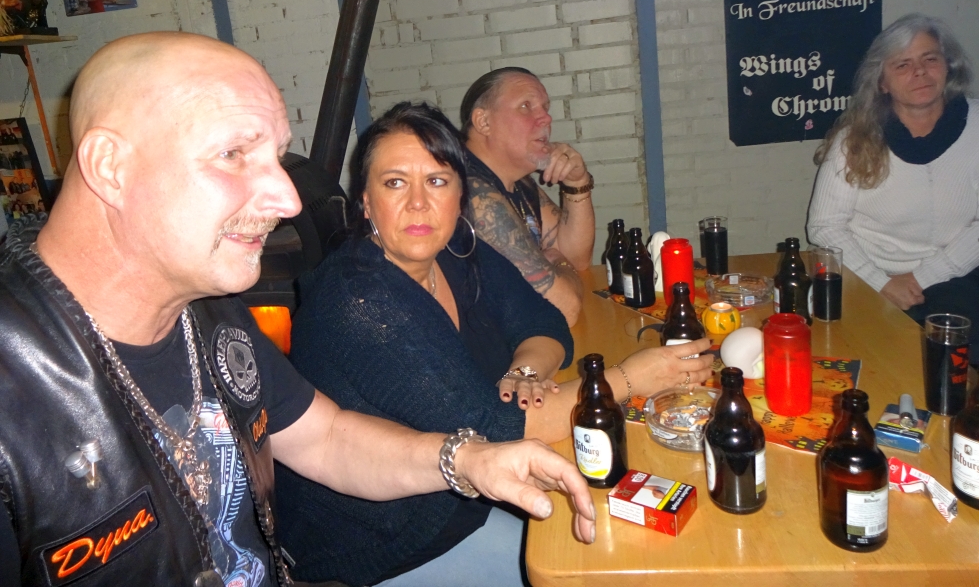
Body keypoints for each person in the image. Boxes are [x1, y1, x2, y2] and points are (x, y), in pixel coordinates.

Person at [0, 33, 596, 587]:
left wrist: (465, 460)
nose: (287, 198)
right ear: (110, 165)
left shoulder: (212, 316)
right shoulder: (14, 389)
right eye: (234, 153)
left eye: (278, 157)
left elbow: (326, 439)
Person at [276, 102, 713, 587]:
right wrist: (634, 377)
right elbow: (494, 429)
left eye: (437, 181)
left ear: (460, 196)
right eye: (395, 182)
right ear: (365, 201)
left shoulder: (457, 250)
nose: (418, 203)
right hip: (388, 542)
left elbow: (543, 320)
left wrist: (525, 373)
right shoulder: (358, 300)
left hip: (468, 496)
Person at [808, 13, 979, 361]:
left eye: (930, 59)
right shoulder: (853, 140)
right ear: (882, 83)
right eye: (903, 64)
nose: (920, 72)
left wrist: (921, 278)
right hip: (867, 277)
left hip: (955, 276)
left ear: (948, 66)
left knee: (957, 361)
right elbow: (824, 226)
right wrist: (882, 283)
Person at [461, 68, 595, 326]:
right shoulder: (473, 193)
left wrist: (577, 182)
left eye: (545, 108)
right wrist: (560, 264)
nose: (546, 118)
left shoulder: (517, 182)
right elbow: (563, 309)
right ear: (484, 122)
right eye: (526, 106)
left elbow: (576, 256)